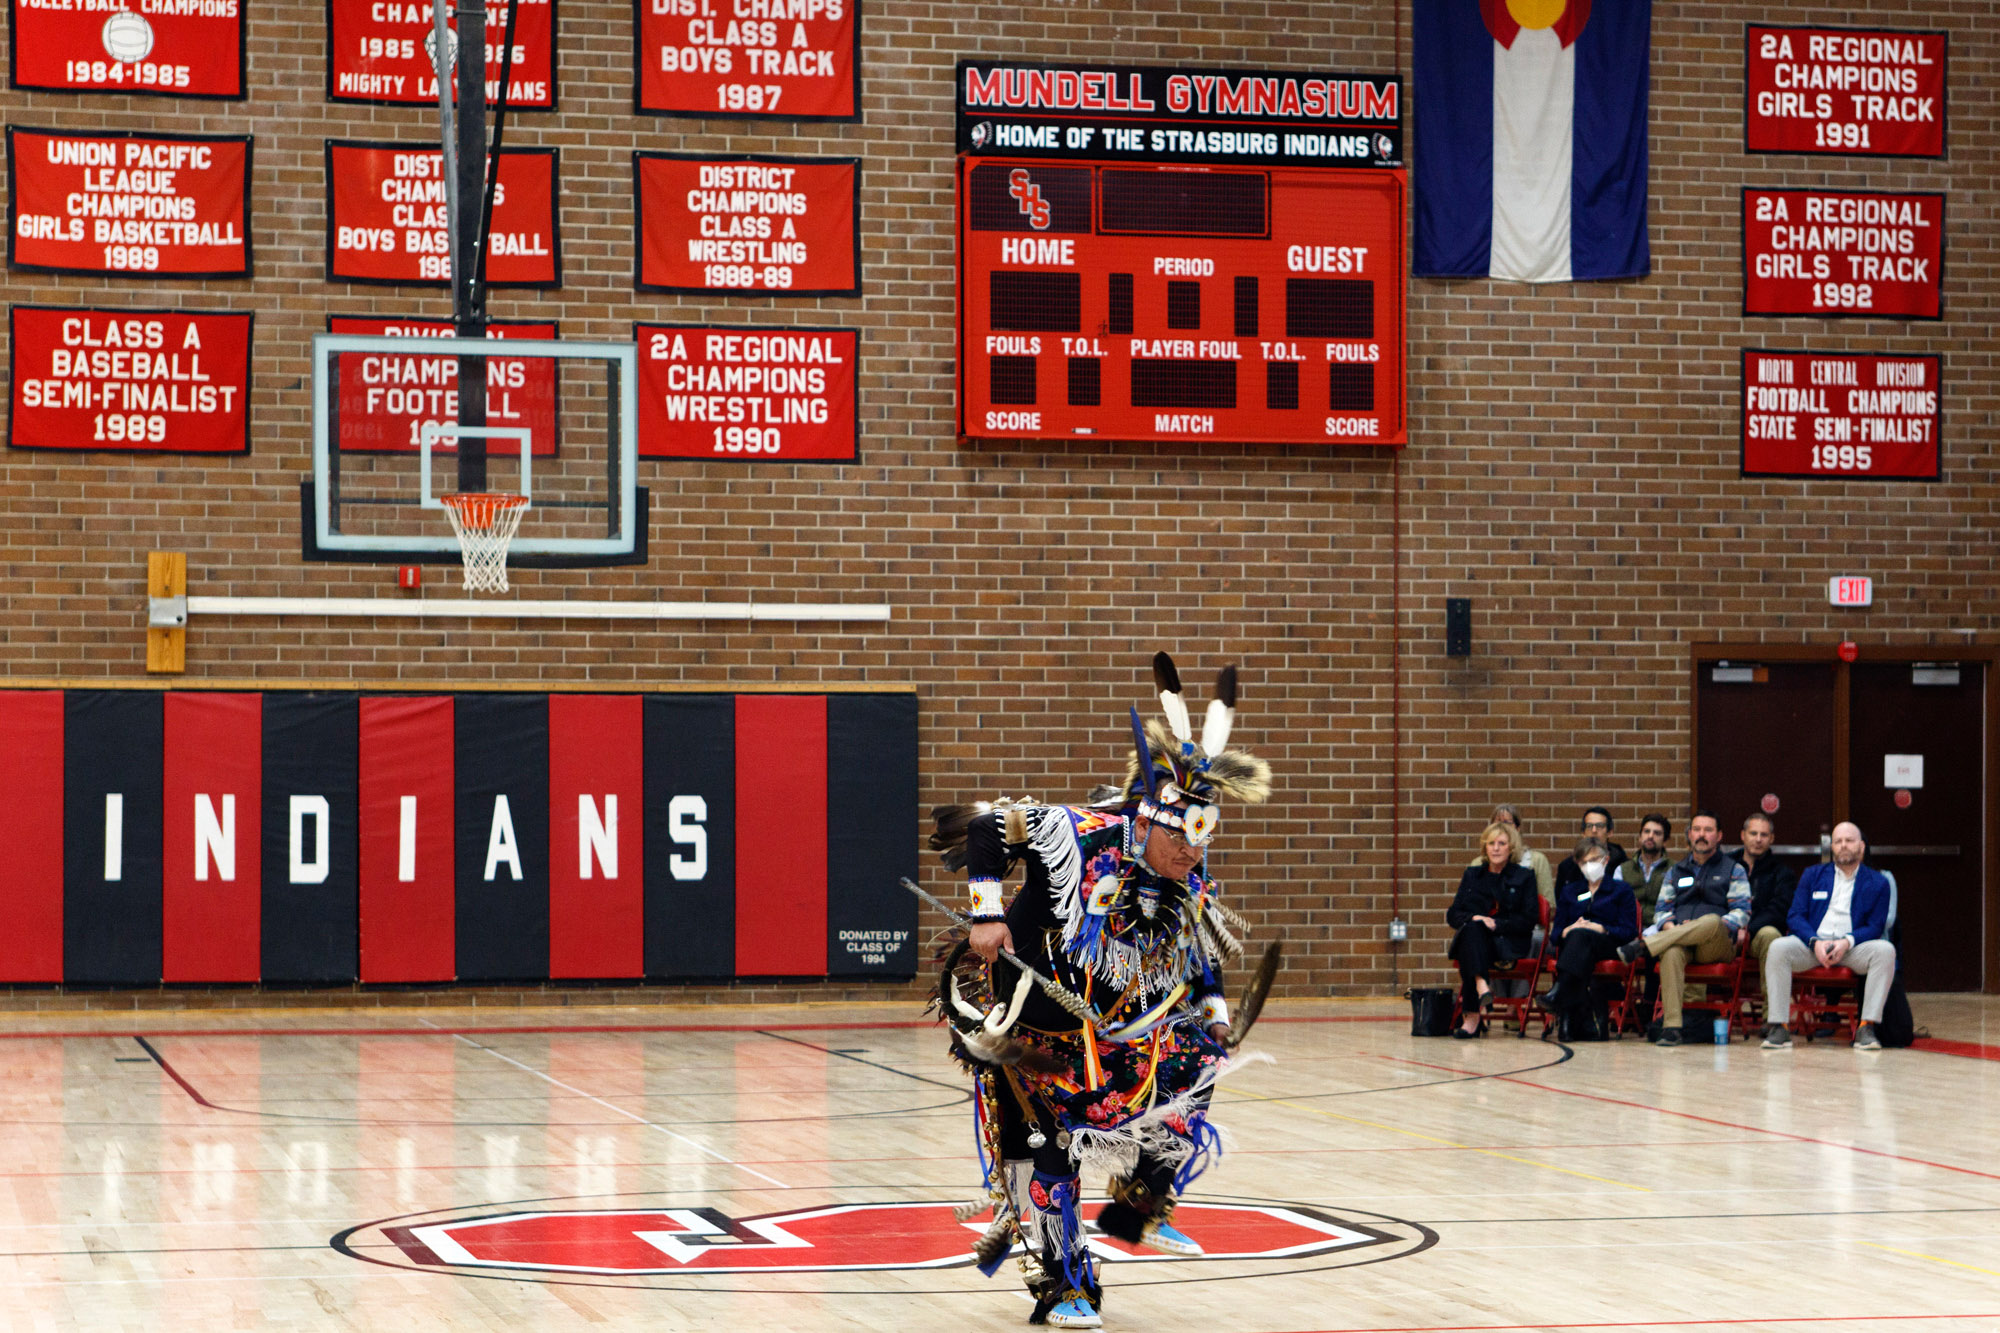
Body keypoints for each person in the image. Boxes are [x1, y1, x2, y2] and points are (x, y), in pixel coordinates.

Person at [928, 653, 1271, 1329]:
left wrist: (1216, 1015)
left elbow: (1197, 951)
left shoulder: (1184, 880)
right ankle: (1064, 1284)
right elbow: (985, 828)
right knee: (1055, 1145)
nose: (1195, 852)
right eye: (1184, 835)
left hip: (1116, 1021)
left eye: (1207, 834)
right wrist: (988, 912)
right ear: (1146, 820)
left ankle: (1137, 1201)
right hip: (1037, 1019)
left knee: (1197, 1066)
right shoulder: (1075, 834)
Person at [1616, 810, 1750, 1046]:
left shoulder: (1733, 869)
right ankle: (1672, 1028)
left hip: (1716, 943)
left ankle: (1645, 946)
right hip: (1682, 941)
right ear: (1689, 835)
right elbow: (1661, 911)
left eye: (1708, 830)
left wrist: (1702, 926)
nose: (1702, 835)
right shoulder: (1675, 871)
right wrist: (1674, 926)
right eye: (1697, 830)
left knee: (1710, 920)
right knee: (1671, 952)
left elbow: (1741, 913)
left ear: (1719, 836)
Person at [1760, 821, 1896, 1052]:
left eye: (1849, 841)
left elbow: (1876, 926)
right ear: (1831, 847)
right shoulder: (1812, 875)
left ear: (1861, 847)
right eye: (1838, 841)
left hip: (1852, 948)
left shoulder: (1878, 882)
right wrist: (1815, 942)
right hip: (1814, 946)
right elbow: (1795, 916)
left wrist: (1847, 941)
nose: (1843, 846)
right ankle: (1779, 1027)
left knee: (1885, 951)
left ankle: (1866, 1027)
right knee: (1778, 947)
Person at [1446, 821, 1539, 1037]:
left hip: (1508, 941)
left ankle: (1472, 1015)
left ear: (1511, 848)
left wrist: (1496, 924)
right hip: (1479, 942)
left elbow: (1528, 919)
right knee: (1472, 930)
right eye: (1491, 843)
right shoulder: (1472, 875)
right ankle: (1481, 986)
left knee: (1470, 941)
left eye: (1501, 843)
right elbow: (1453, 914)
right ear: (1484, 848)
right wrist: (1476, 918)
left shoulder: (1524, 876)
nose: (1495, 848)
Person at [1541, 837, 1638, 1037]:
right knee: (1578, 934)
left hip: (1609, 944)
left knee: (1583, 935)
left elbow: (1629, 931)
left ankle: (1559, 993)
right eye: (1584, 862)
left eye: (1594, 859)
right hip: (1576, 946)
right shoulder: (1570, 891)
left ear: (1606, 859)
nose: (1589, 865)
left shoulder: (1622, 890)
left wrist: (1601, 928)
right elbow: (1556, 934)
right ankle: (1568, 1016)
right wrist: (1567, 931)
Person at [1739, 812, 1798, 965]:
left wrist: (1748, 931)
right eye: (1753, 833)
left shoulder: (1783, 873)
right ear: (1743, 835)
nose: (1758, 839)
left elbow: (1778, 911)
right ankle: (1690, 990)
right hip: (1725, 933)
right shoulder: (1726, 865)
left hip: (1757, 935)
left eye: (1764, 835)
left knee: (1771, 935)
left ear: (1771, 838)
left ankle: (1771, 990)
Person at [1475, 803, 1555, 907]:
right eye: (1497, 824)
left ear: (1517, 828)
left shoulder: (1537, 860)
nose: (1502, 828)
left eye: (1506, 823)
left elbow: (1549, 904)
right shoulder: (1478, 863)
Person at [1553, 808, 1629, 894]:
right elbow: (1562, 902)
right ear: (1583, 833)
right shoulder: (1567, 867)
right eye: (1589, 826)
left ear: (1610, 832)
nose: (1594, 830)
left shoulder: (1623, 866)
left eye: (1599, 826)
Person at [1617, 814, 1673, 922]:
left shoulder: (1674, 869)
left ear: (1665, 840)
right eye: (1646, 831)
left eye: (1657, 833)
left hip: (1661, 930)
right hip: (1629, 929)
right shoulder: (1622, 870)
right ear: (1640, 836)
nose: (1650, 836)